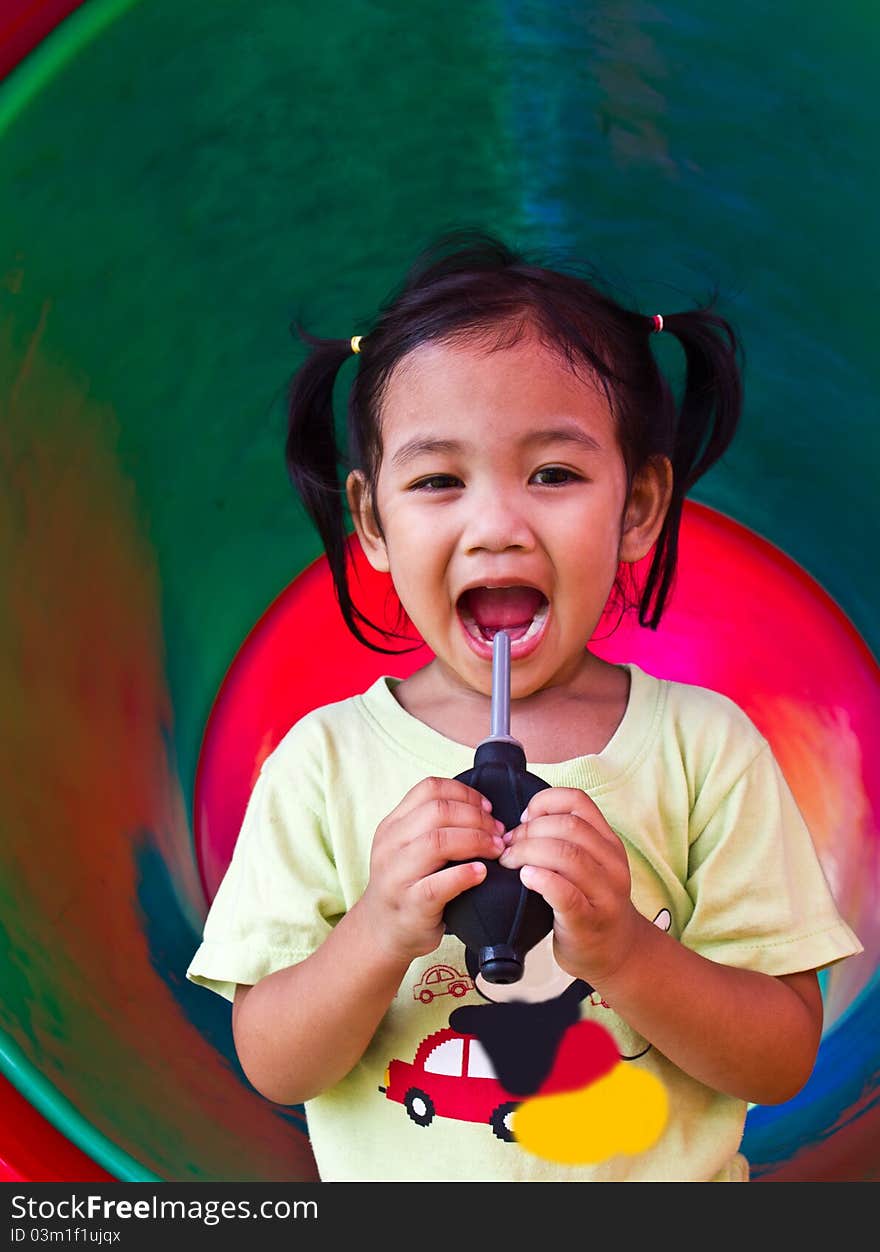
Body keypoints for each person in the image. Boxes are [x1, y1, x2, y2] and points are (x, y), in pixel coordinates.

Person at [187, 229, 862, 1182]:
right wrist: (379, 928)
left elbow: (781, 1055)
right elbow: (274, 1062)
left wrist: (624, 950)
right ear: (373, 523)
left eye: (553, 474)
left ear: (637, 508)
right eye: (437, 481)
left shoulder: (705, 751)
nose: (498, 525)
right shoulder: (321, 763)